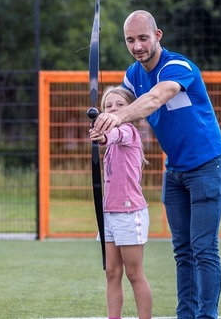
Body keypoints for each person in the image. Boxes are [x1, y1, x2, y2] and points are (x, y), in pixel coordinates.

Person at [93, 10, 221, 319]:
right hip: (176, 170)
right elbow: (119, 103)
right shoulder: (132, 74)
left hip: (209, 165)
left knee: (203, 248)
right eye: (130, 40)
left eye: (143, 38)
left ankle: (206, 316)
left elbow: (154, 99)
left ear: (158, 35)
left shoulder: (178, 66)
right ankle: (186, 315)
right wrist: (106, 126)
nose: (137, 46)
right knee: (183, 251)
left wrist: (116, 116)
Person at [89, 85, 152, 319]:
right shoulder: (112, 143)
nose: (113, 109)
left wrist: (104, 135)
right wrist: (101, 136)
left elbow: (116, 134)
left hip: (129, 213)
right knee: (112, 272)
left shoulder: (129, 132)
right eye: (108, 106)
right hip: (109, 214)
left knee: (134, 274)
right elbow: (108, 141)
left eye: (120, 105)